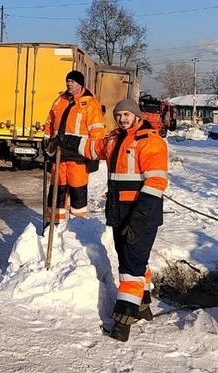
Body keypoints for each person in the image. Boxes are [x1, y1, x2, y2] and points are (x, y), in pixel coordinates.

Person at [65, 98, 169, 342]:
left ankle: (123, 320)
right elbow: (92, 147)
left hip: (141, 214)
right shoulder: (114, 139)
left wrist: (140, 217)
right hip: (118, 212)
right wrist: (64, 140)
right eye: (119, 114)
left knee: (130, 268)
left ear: (136, 115)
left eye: (126, 114)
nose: (122, 118)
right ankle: (142, 305)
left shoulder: (150, 141)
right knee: (130, 260)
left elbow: (156, 183)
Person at [42, 70, 105, 228]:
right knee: (57, 192)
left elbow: (97, 131)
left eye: (73, 81)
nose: (69, 84)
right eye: (68, 81)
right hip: (59, 155)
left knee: (78, 193)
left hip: (78, 157)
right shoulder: (59, 101)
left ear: (80, 84)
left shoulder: (90, 103)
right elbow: (49, 122)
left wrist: (93, 155)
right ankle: (54, 226)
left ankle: (78, 227)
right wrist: (47, 142)